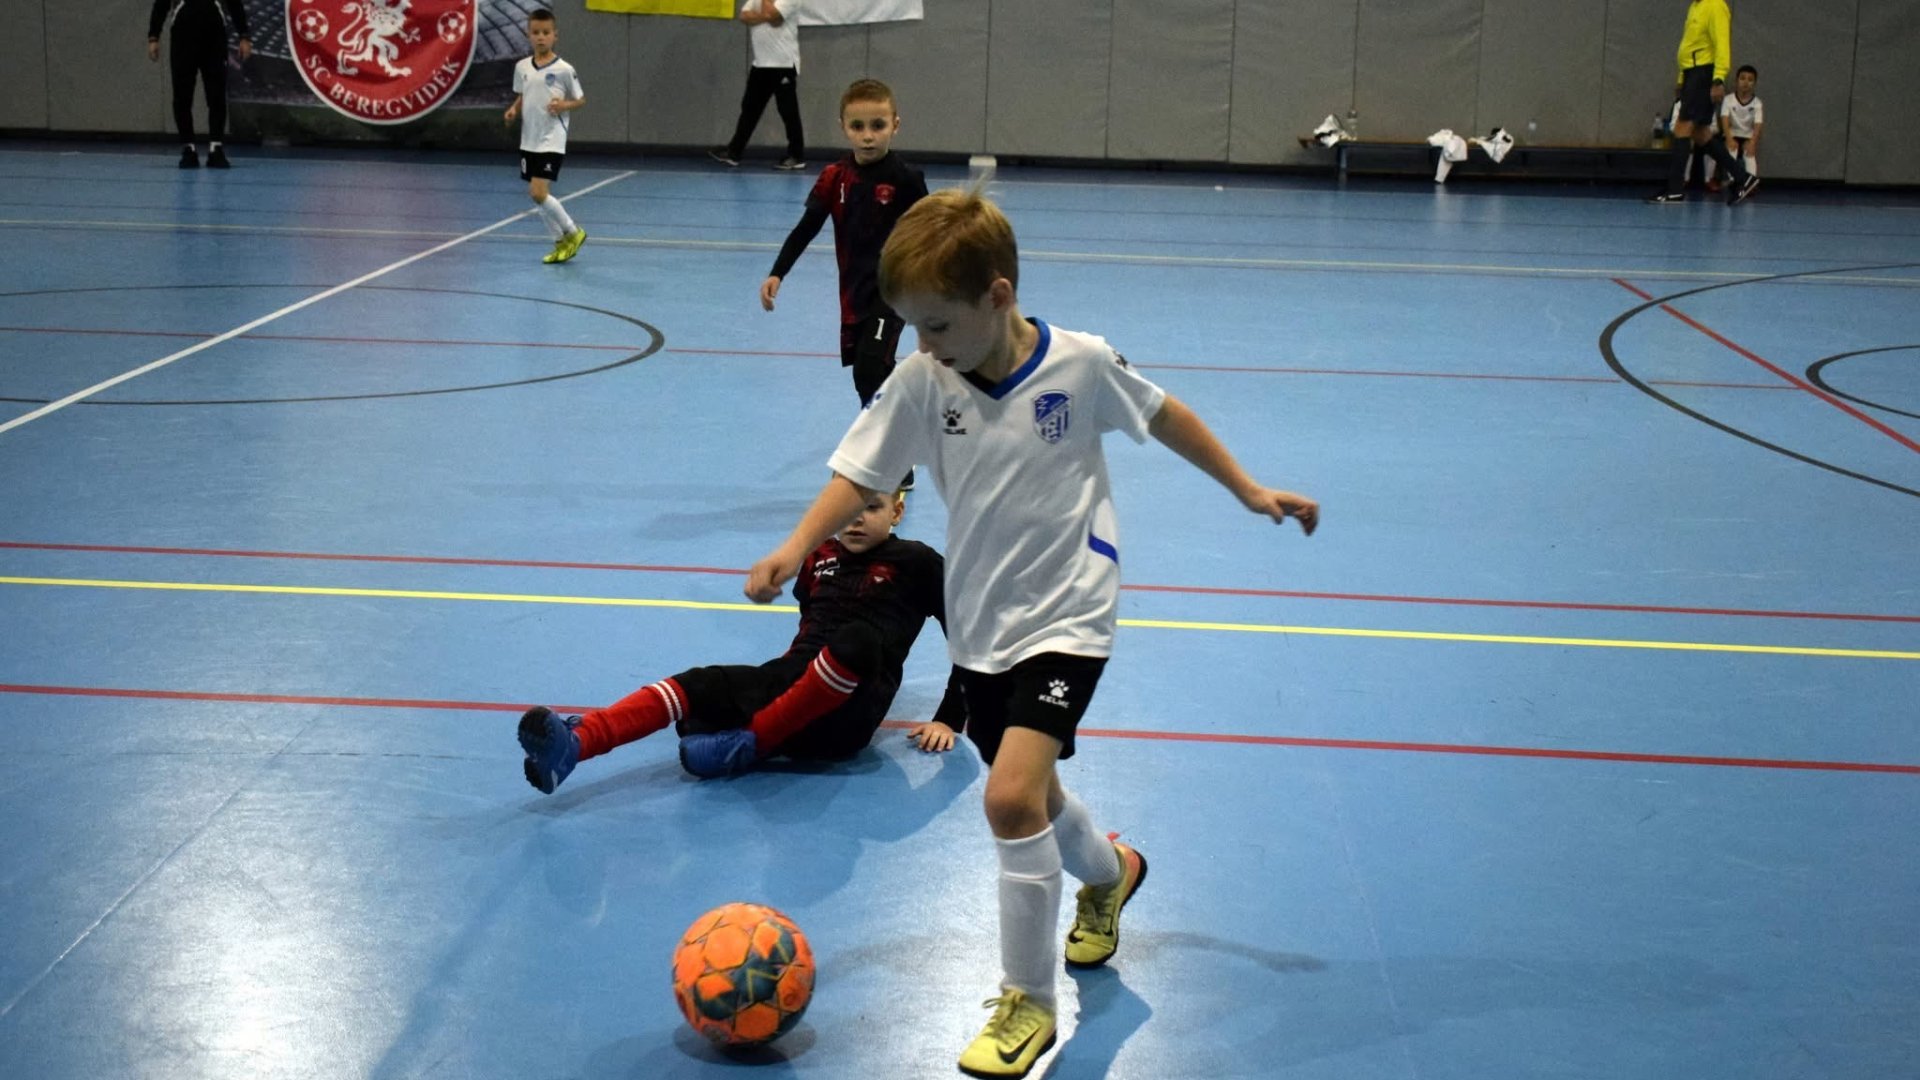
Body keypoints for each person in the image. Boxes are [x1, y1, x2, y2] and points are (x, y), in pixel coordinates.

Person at [743, 188, 1319, 1078]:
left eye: (938, 324)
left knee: (1008, 799)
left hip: (1071, 610)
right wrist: (793, 546)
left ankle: (1030, 1004)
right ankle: (1113, 873)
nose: (923, 342)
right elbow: (859, 475)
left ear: (998, 296)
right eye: (913, 325)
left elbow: (1163, 415)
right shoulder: (922, 380)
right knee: (1039, 799)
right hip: (983, 619)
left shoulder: (1080, 364)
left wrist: (1246, 488)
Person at [518, 488, 965, 793]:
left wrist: (949, 717)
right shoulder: (818, 558)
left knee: (857, 641)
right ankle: (577, 746)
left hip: (850, 712)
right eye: (847, 509)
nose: (857, 519)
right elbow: (807, 630)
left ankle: (750, 742)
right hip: (798, 689)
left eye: (872, 507)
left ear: (897, 512)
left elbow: (967, 634)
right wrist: (761, 688)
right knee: (700, 687)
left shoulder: (917, 561)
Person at [760, 78, 929, 486]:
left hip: (895, 290)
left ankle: (892, 459)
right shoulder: (834, 177)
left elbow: (930, 232)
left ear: (895, 125)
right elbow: (806, 227)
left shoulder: (907, 178)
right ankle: (902, 444)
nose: (868, 136)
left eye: (877, 125)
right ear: (843, 127)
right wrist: (778, 271)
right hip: (855, 294)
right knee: (867, 376)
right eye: (858, 126)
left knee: (871, 367)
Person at [1648, 0, 1758, 205]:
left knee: (1682, 127)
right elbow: (1689, 45)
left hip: (1704, 73)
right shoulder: (1695, 6)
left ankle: (1674, 189)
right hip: (1692, 73)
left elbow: (1722, 44)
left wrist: (1718, 79)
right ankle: (1744, 178)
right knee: (1701, 133)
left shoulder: (1715, 5)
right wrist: (1682, 78)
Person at [503, 8, 588, 265]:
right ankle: (560, 243)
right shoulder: (522, 67)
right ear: (528, 35)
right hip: (529, 138)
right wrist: (514, 109)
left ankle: (573, 232)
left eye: (546, 32)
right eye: (536, 32)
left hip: (552, 139)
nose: (541, 37)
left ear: (555, 36)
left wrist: (563, 105)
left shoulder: (564, 69)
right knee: (537, 195)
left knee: (538, 191)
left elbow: (580, 99)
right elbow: (523, 93)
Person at [146, 0, 251, 169]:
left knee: (216, 94)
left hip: (214, 37)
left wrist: (244, 35)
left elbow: (234, 3)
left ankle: (216, 147)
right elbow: (161, 4)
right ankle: (188, 148)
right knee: (182, 95)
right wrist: (153, 36)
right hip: (183, 36)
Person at [708, 0, 807, 170]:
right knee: (749, 109)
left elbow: (772, 15)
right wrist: (766, 17)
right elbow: (744, 16)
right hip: (761, 64)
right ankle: (734, 152)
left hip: (783, 64)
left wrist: (763, 15)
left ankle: (796, 155)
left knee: (788, 111)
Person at [1708, 64, 1764, 193]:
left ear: (1754, 83)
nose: (1746, 83)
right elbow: (1724, 119)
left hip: (1748, 136)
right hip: (1731, 134)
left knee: (1749, 154)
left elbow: (1758, 124)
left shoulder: (1757, 103)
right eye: (1742, 78)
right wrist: (1729, 138)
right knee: (1731, 150)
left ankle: (1750, 183)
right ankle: (1732, 181)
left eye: (1750, 80)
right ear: (1736, 81)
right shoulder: (1728, 100)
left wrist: (1753, 143)